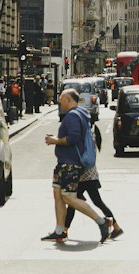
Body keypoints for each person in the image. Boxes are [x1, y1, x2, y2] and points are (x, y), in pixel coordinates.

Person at [41, 88, 110, 245]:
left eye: (61, 98)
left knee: (68, 197)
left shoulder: (72, 116)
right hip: (64, 162)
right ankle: (59, 231)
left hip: (70, 163)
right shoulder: (81, 113)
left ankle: (101, 221)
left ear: (68, 99)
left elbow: (73, 138)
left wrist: (55, 140)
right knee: (57, 193)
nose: (59, 101)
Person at [63, 119, 122, 240]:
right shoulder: (91, 135)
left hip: (82, 176)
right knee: (96, 202)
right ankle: (116, 227)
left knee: (73, 203)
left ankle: (64, 231)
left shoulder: (81, 138)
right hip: (91, 175)